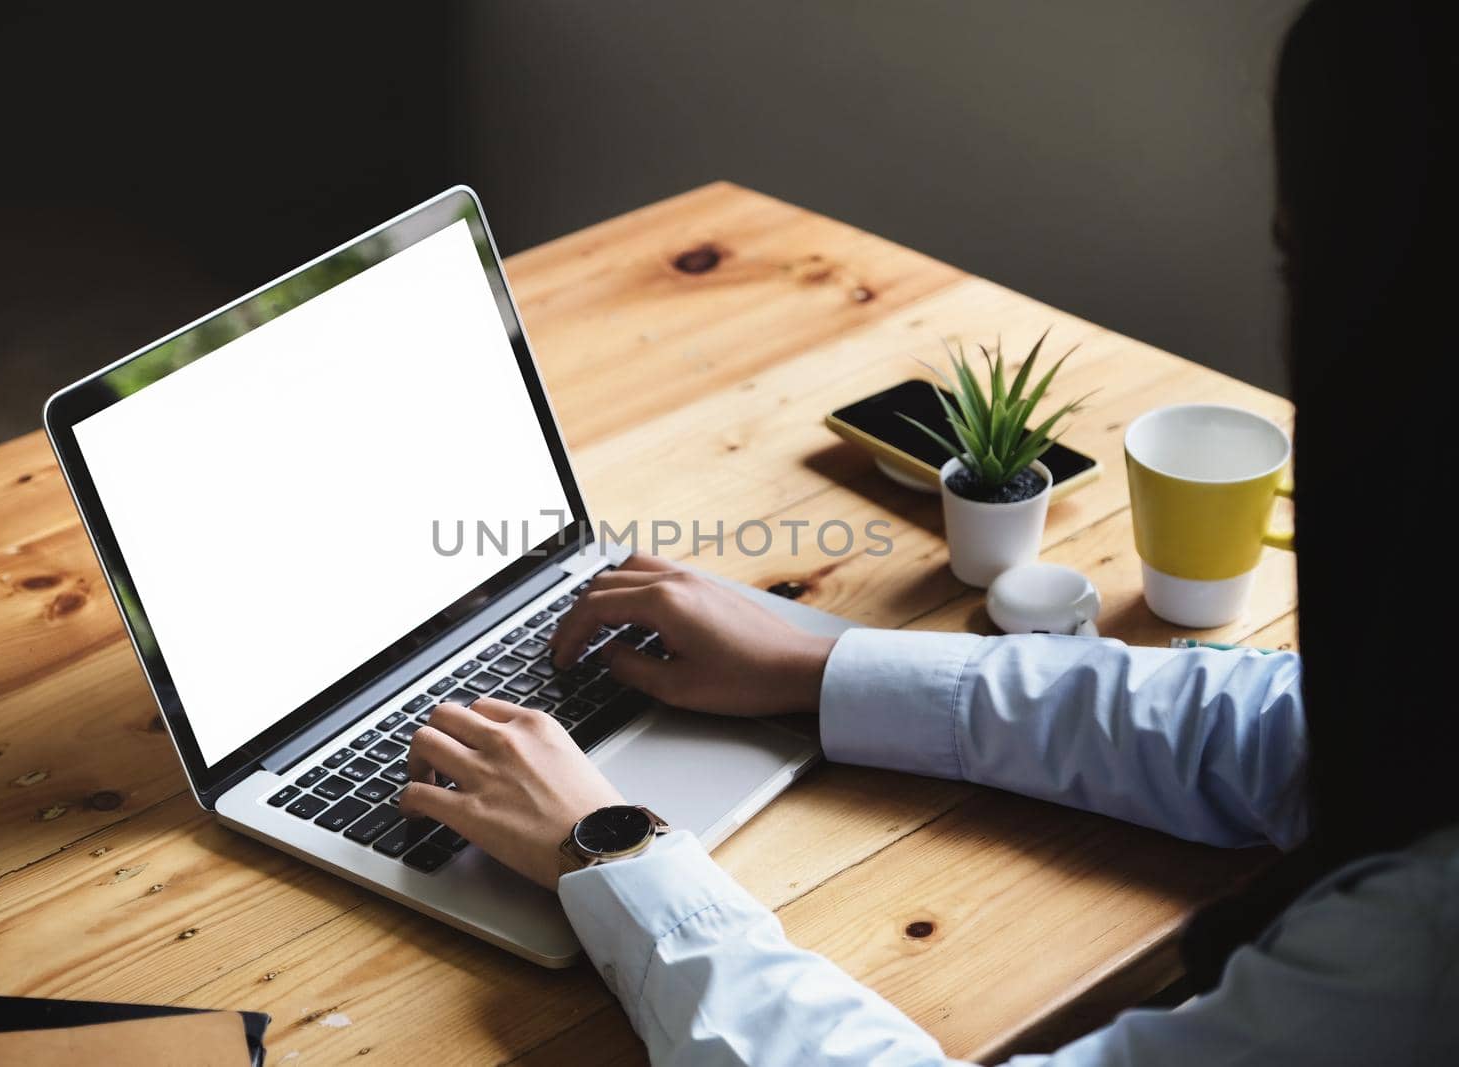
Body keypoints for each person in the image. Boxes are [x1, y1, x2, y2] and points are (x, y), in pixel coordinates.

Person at [397, 1, 1455, 1062]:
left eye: (1293, 263)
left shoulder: (1420, 948)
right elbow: (1273, 730)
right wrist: (822, 666)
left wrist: (613, 853)